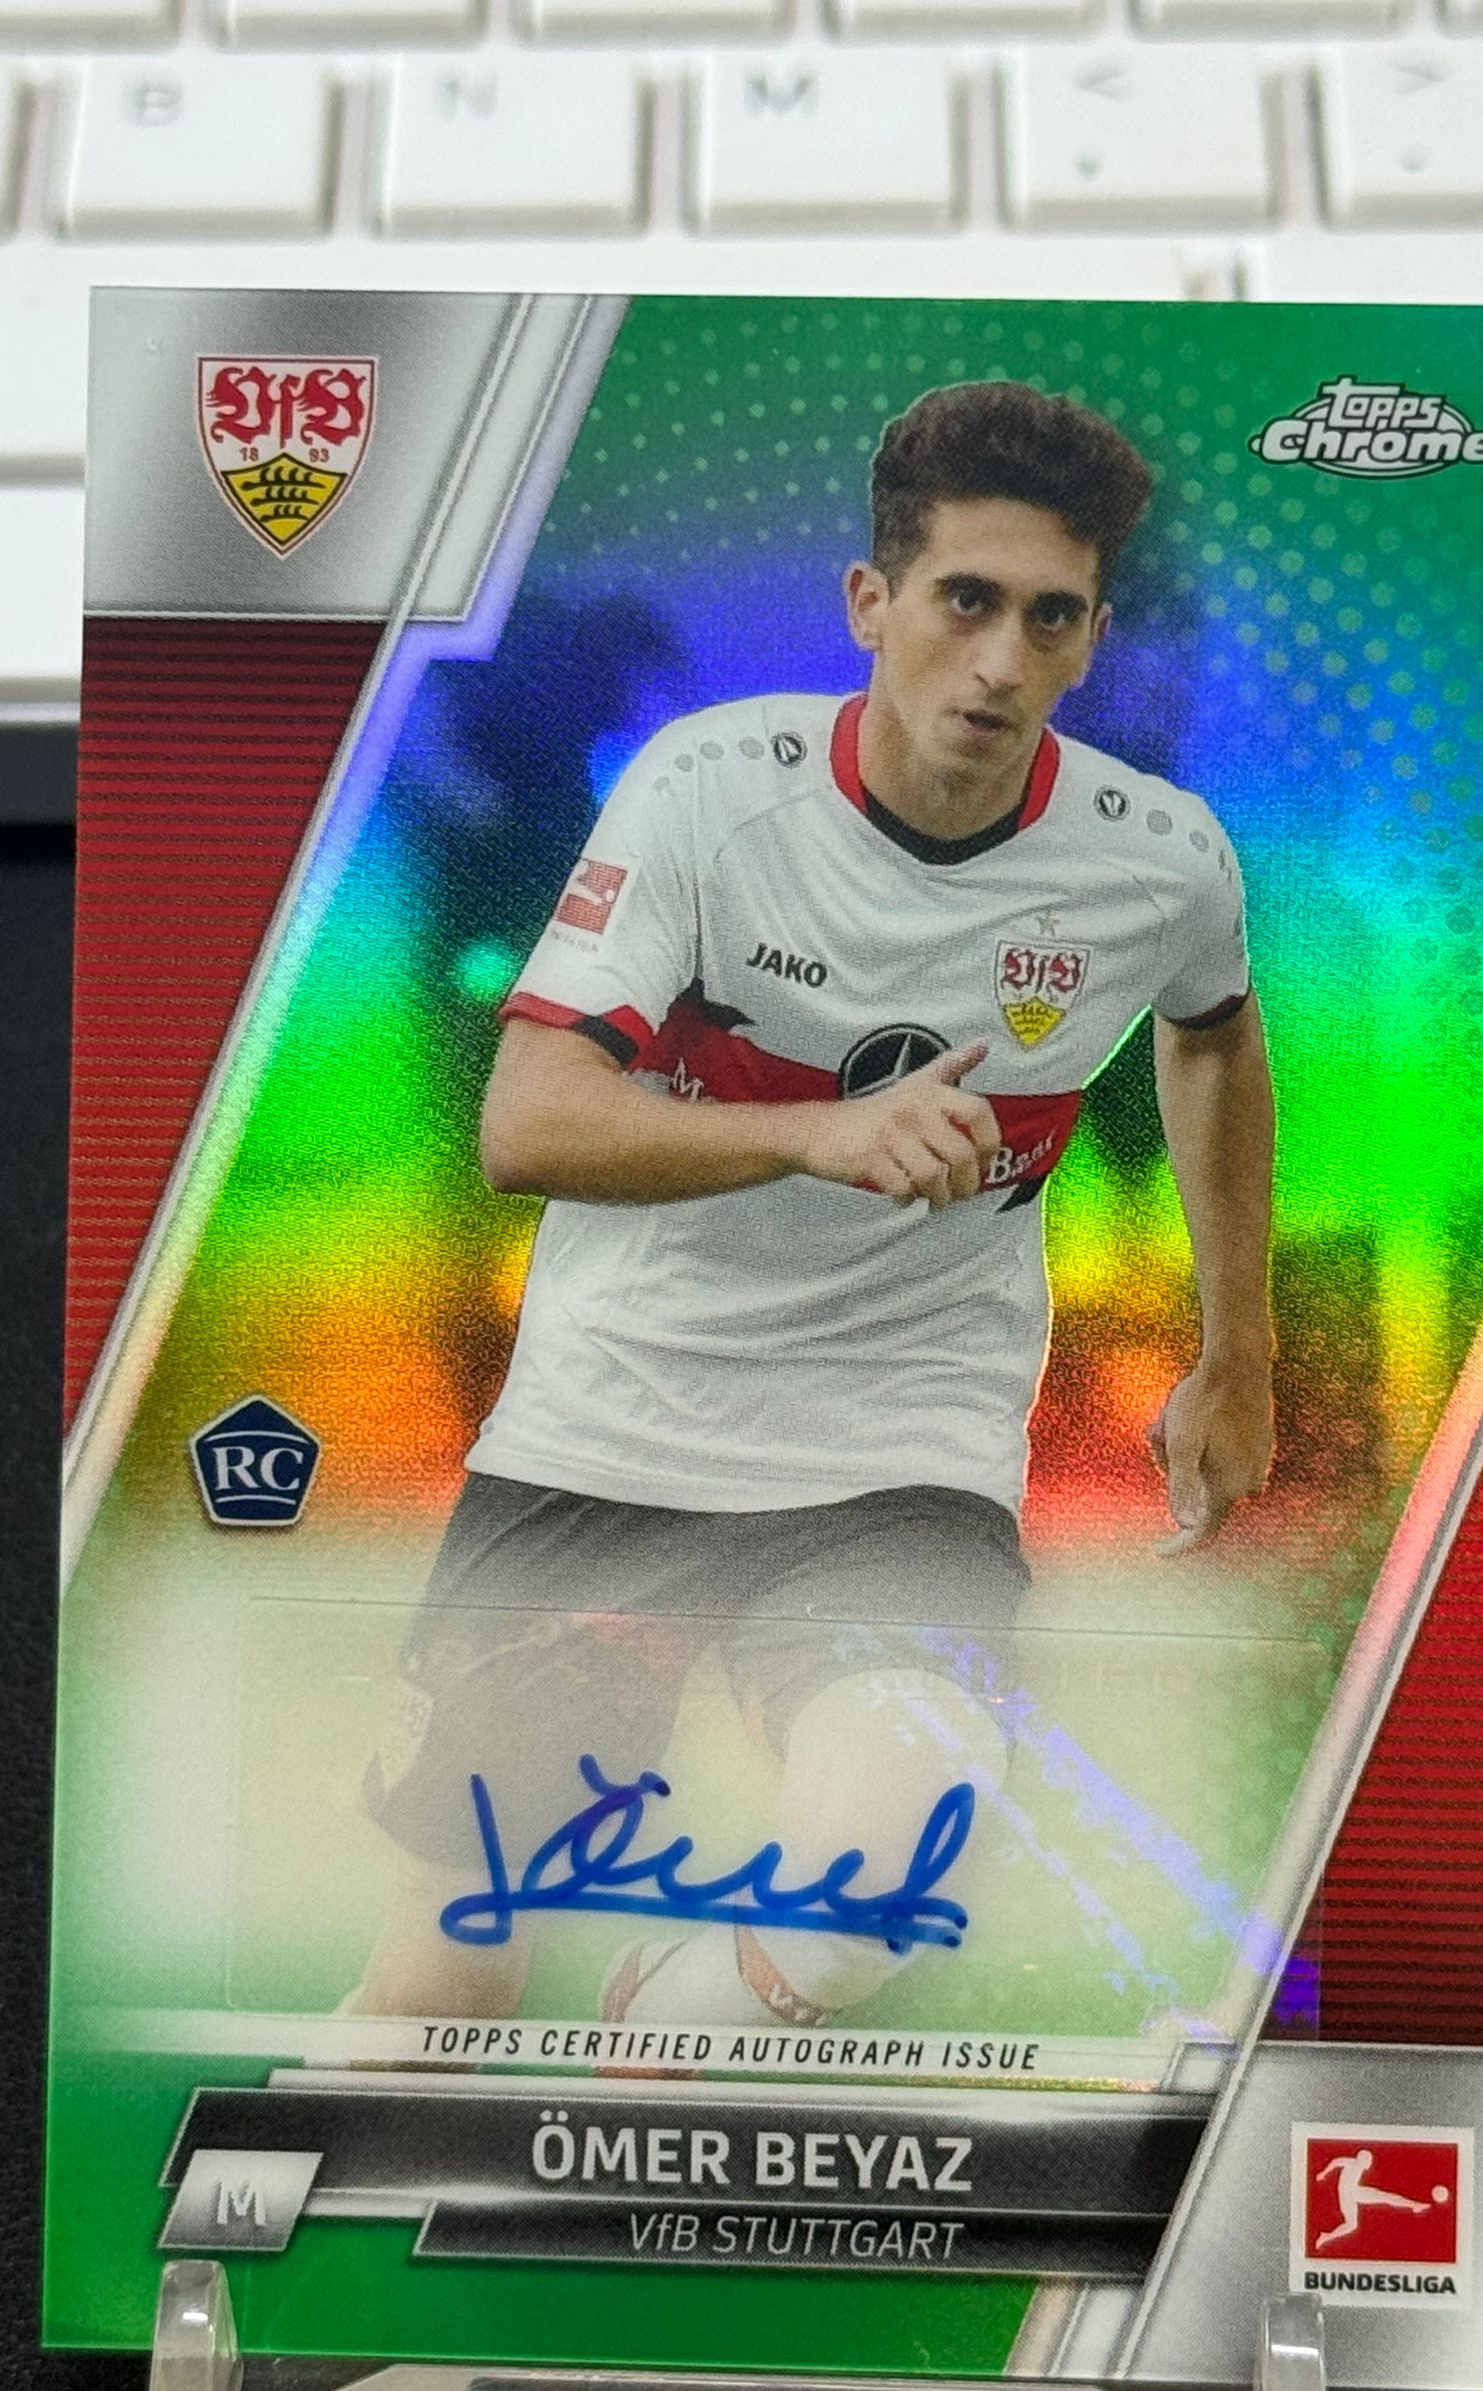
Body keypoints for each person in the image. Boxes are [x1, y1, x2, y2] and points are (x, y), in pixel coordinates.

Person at [348, 378, 1275, 2031]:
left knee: (870, 1885)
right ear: (870, 602)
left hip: (898, 1452)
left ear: (1088, 640)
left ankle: (657, 2035)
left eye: (1048, 618)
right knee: (442, 1984)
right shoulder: (708, 793)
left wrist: (1240, 1349)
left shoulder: (1161, 859)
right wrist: (816, 1135)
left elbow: (1211, 1040)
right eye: (962, 600)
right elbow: (528, 1121)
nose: (999, 660)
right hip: (609, 1431)